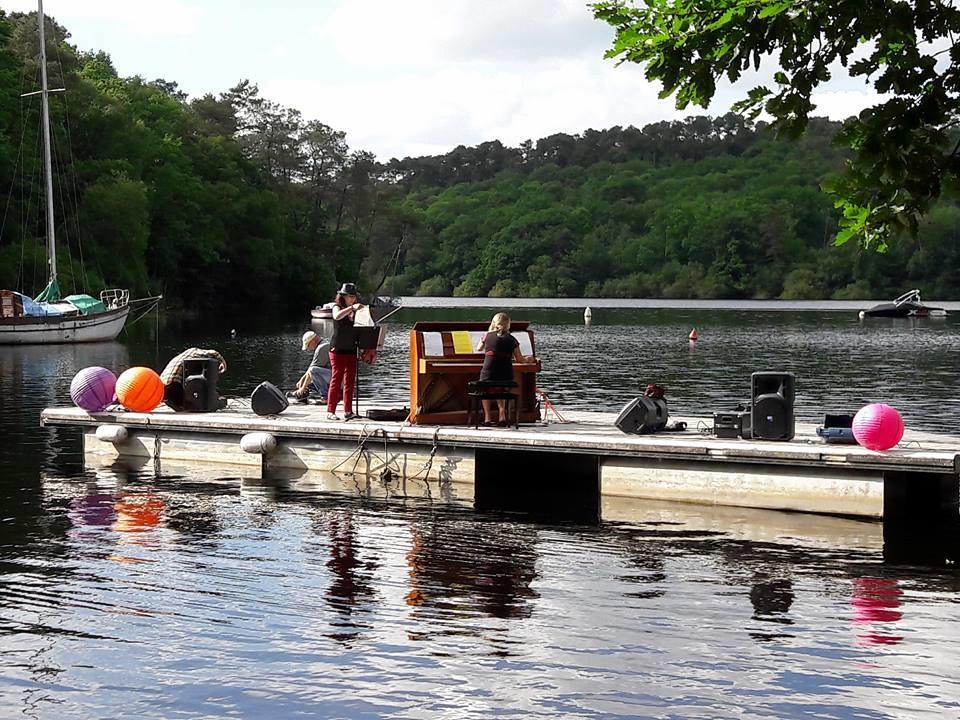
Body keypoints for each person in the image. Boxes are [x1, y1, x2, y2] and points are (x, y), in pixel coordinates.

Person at [475, 312, 528, 426]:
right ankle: (502, 415)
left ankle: (487, 418)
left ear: (494, 323)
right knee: (501, 388)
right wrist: (529, 360)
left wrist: (483, 340)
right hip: (505, 375)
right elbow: (519, 359)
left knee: (485, 389)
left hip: (488, 372)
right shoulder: (512, 339)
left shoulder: (486, 336)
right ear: (508, 324)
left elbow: (478, 348)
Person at [327, 282, 365, 421]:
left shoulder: (354, 310)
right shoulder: (336, 307)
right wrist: (351, 308)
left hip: (351, 349)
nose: (352, 299)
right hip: (337, 349)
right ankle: (330, 411)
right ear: (342, 296)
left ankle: (348, 411)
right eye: (349, 296)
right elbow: (337, 316)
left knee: (349, 381)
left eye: (354, 297)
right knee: (336, 380)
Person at [159, 347, 227, 411]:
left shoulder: (179, 357)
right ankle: (218, 402)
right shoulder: (194, 352)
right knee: (196, 404)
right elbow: (214, 352)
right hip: (172, 386)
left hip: (162, 387)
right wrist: (222, 362)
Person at [289, 330, 330, 403]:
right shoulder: (322, 344)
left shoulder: (322, 348)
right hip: (333, 375)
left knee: (313, 371)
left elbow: (312, 371)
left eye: (308, 345)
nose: (309, 348)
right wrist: (302, 380)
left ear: (312, 341)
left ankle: (325, 397)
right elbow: (311, 367)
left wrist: (302, 387)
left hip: (338, 377)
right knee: (310, 381)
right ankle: (302, 395)